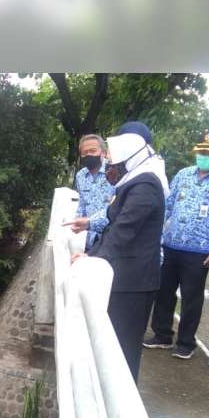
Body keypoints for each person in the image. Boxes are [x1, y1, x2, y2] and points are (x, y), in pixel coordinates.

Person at [66, 123, 167, 382]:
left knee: (124, 348)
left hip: (136, 281)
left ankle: (123, 406)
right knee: (112, 341)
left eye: (111, 157)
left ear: (128, 158)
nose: (108, 161)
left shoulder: (146, 185)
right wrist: (91, 253)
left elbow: (124, 229)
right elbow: (112, 221)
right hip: (124, 276)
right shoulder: (132, 182)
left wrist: (94, 258)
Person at [143, 129, 209, 359]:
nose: (204, 155)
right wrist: (155, 234)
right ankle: (163, 335)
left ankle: (186, 343)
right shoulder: (183, 175)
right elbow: (167, 206)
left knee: (191, 298)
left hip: (200, 251)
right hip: (172, 244)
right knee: (164, 292)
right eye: (201, 151)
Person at [74, 134, 115, 250]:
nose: (88, 155)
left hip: (111, 237)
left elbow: (119, 206)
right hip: (89, 239)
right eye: (84, 152)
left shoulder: (114, 171)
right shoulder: (80, 176)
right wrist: (76, 221)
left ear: (103, 152)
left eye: (92, 151)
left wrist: (90, 221)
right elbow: (82, 204)